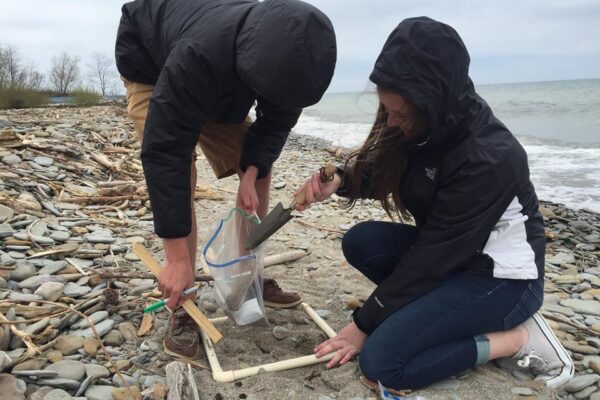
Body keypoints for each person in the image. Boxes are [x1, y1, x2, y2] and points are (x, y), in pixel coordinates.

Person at [295, 17, 574, 391]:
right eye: (386, 109)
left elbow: (432, 259)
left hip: (503, 279)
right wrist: (342, 180)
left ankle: (514, 338)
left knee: (381, 363)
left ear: (433, 102)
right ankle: (445, 315)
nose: (391, 122)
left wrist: (363, 323)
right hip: (453, 261)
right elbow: (382, 169)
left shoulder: (490, 157)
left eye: (401, 114)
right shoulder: (418, 123)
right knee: (361, 242)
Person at [115, 0, 336, 359]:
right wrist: (174, 258)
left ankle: (245, 279)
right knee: (181, 169)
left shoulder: (294, 62)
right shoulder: (197, 56)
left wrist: (249, 172)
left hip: (226, 72)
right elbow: (165, 150)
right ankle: (182, 301)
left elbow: (273, 126)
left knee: (259, 167)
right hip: (151, 63)